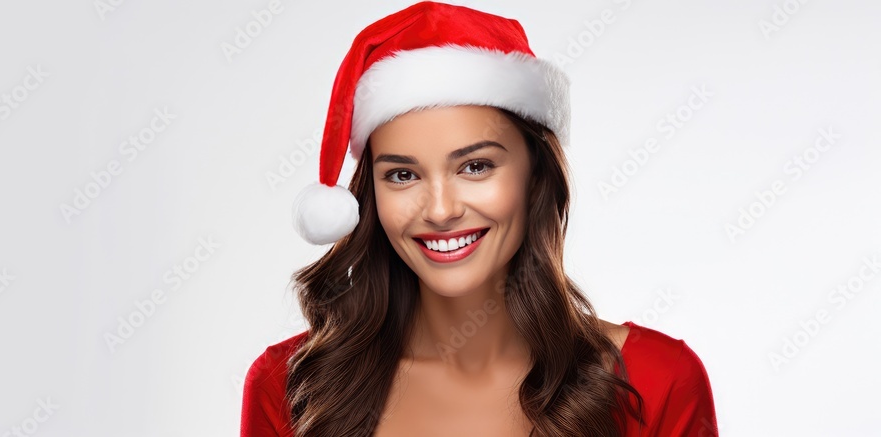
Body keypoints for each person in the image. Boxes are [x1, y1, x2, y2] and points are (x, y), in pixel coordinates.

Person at [242, 2, 718, 436]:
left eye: (476, 166)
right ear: (370, 197)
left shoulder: (659, 381)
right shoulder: (289, 388)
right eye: (403, 174)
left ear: (535, 177)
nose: (441, 209)